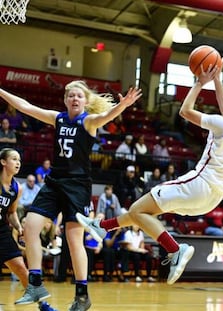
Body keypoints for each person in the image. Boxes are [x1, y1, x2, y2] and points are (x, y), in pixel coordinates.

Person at [76, 59, 223, 286]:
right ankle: (102, 227)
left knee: (138, 210)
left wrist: (199, 83)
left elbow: (185, 112)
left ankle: (175, 249)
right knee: (143, 212)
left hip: (197, 184)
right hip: (212, 198)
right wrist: (217, 79)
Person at [0, 81, 142, 310]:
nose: (75, 99)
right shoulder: (58, 118)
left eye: (79, 96)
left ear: (85, 101)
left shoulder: (89, 121)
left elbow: (107, 115)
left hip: (77, 185)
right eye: (71, 95)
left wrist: (122, 105)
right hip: (55, 181)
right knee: (30, 226)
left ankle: (82, 295)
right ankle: (35, 283)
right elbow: (26, 106)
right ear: (66, 100)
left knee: (74, 240)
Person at [0, 148, 28, 289]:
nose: (18, 163)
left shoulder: (17, 187)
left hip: (2, 231)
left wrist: (19, 227)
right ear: (3, 161)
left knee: (21, 268)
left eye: (19, 160)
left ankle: (42, 304)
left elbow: (11, 212)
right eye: (14, 159)